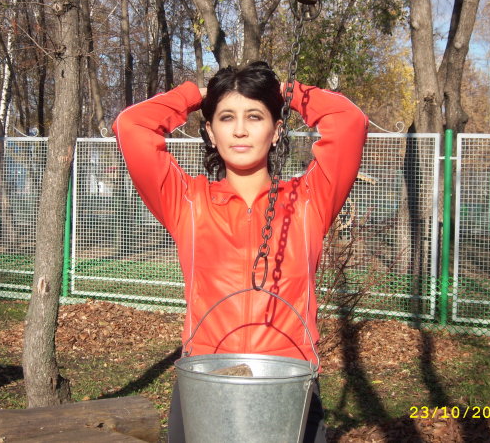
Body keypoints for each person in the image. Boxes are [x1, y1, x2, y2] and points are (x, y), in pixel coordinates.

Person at [112, 61, 368, 442]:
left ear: (276, 131)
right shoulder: (188, 202)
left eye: (255, 116)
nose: (240, 130)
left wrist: (287, 92)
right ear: (210, 132)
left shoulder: (308, 202)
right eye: (227, 117)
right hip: (205, 384)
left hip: (288, 385)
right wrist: (197, 95)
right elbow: (132, 125)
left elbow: (349, 122)